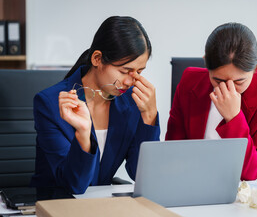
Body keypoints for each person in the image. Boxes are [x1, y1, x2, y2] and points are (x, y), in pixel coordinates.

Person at [30, 16, 160, 194]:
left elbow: (141, 174)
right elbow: (74, 185)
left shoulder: (132, 102)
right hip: (59, 205)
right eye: (125, 71)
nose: (132, 80)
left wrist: (149, 117)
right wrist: (83, 135)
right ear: (97, 59)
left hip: (102, 206)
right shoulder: (50, 103)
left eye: (139, 71)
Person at [165, 22, 257, 180]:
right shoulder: (189, 81)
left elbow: (252, 173)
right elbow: (172, 153)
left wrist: (234, 118)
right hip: (192, 182)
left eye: (239, 82)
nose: (228, 88)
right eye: (218, 80)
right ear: (205, 62)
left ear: (256, 65)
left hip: (243, 190)